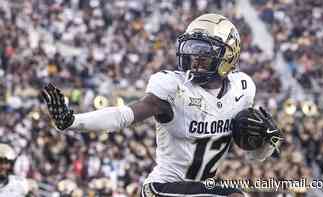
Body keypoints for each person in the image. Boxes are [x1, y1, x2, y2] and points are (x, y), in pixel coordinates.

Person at [41, 13, 282, 197]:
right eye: (192, 49)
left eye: (204, 51)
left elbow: (253, 157)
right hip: (162, 189)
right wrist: (73, 122)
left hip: (201, 189)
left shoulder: (243, 88)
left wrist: (269, 143)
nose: (195, 58)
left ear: (229, 54)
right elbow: (125, 115)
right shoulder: (173, 87)